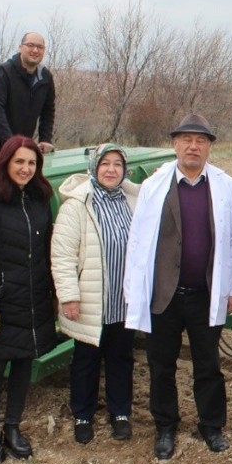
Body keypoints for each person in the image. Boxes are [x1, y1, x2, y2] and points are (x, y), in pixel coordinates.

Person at [123, 113, 232, 461]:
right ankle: (165, 426)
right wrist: (135, 290)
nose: (193, 146)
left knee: (208, 364)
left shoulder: (226, 186)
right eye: (186, 140)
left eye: (201, 140)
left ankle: (211, 426)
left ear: (209, 147)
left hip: (207, 294)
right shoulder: (155, 186)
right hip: (163, 295)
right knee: (162, 364)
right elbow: (138, 242)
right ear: (175, 144)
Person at [0, 136, 57, 464]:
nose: (26, 169)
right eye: (19, 162)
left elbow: (45, 250)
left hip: (32, 297)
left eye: (31, 163)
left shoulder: (39, 198)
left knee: (23, 363)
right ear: (5, 162)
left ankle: (13, 427)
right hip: (0, 301)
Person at [51, 143, 139, 445]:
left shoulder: (132, 200)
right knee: (86, 360)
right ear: (94, 168)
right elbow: (62, 256)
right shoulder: (77, 205)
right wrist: (69, 296)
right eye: (105, 164)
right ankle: (83, 415)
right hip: (90, 299)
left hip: (123, 300)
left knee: (121, 358)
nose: (112, 170)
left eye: (117, 164)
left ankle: (120, 413)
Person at [0, 32, 56, 154]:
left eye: (40, 47)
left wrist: (45, 139)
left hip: (22, 146)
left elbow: (48, 111)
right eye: (30, 45)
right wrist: (11, 143)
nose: (35, 50)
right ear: (20, 47)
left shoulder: (45, 77)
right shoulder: (4, 71)